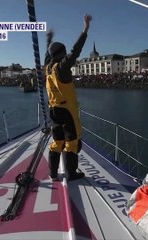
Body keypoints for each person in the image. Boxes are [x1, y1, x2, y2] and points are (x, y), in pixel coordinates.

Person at [45, 14, 92, 181]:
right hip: (67, 111)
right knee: (71, 142)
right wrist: (85, 28)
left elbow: (48, 54)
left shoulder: (48, 68)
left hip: (53, 110)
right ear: (61, 54)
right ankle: (71, 173)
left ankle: (52, 173)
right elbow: (76, 51)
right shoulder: (62, 68)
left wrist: (49, 39)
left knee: (57, 142)